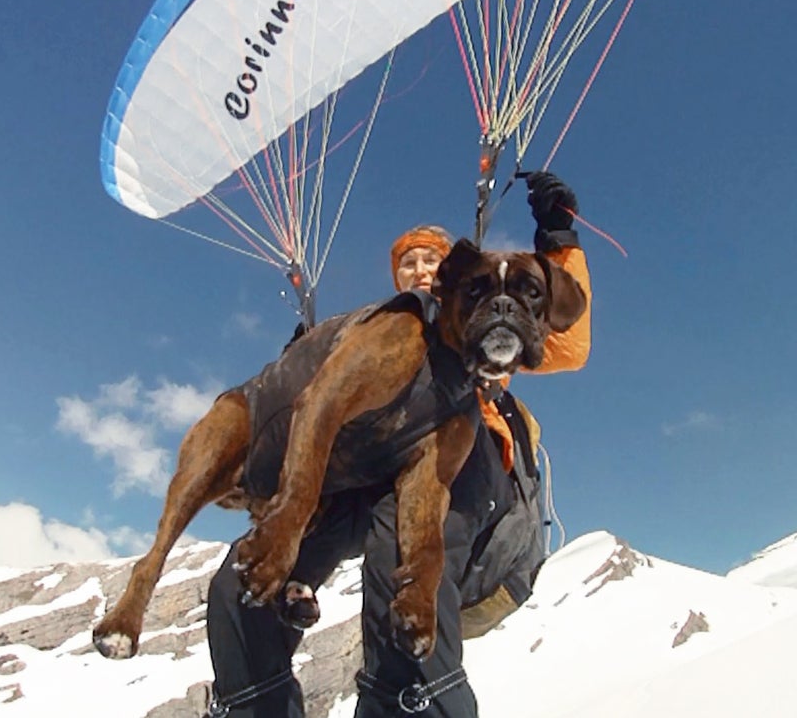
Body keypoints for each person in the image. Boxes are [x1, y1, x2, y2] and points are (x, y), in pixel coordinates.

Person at [204, 172, 592, 717]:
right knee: (245, 580)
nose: (419, 270)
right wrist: (308, 364)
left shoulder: (482, 319)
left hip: (455, 473)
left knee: (401, 559)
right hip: (362, 477)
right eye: (408, 264)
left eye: (431, 261)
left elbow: (567, 343)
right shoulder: (375, 337)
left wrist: (558, 239)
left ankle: (412, 705)